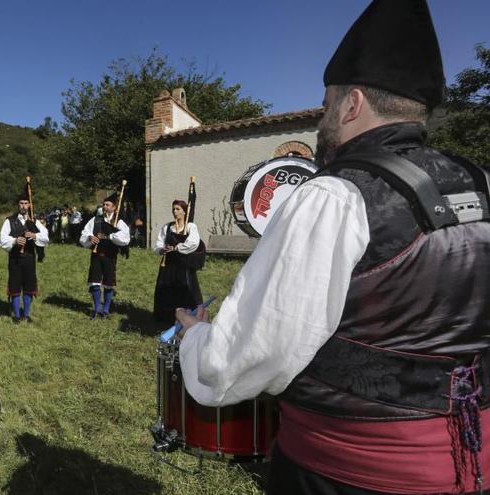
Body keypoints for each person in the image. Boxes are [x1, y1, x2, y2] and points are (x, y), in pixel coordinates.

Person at [176, 1, 490, 494]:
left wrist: (194, 337)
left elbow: (246, 356)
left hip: (348, 475)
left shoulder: (334, 196)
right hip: (474, 466)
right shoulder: (481, 183)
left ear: (352, 103)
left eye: (326, 106)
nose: (323, 119)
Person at [0, 190, 49, 323]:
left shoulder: (34, 221)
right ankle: (16, 315)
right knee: (15, 285)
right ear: (18, 205)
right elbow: (1, 239)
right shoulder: (9, 221)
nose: (23, 206)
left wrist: (35, 236)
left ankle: (26, 314)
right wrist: (14, 241)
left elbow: (46, 237)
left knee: (29, 285)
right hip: (15, 258)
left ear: (29, 205)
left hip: (29, 257)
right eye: (21, 203)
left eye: (26, 203)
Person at [79, 194, 131, 319]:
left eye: (108, 205)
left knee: (109, 282)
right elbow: (83, 235)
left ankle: (106, 310)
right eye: (104, 205)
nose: (105, 207)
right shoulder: (95, 220)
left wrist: (110, 236)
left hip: (110, 256)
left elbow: (125, 239)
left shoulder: (119, 222)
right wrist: (90, 238)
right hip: (96, 255)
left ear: (114, 207)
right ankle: (97, 308)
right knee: (95, 281)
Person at [152, 200, 203, 325]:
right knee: (166, 291)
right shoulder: (167, 227)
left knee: (185, 291)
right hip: (168, 265)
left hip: (183, 265)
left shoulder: (190, 227)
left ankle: (186, 320)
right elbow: (158, 244)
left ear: (185, 211)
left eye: (178, 209)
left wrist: (176, 248)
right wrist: (161, 249)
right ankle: (166, 320)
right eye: (173, 209)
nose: (175, 212)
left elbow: (193, 243)